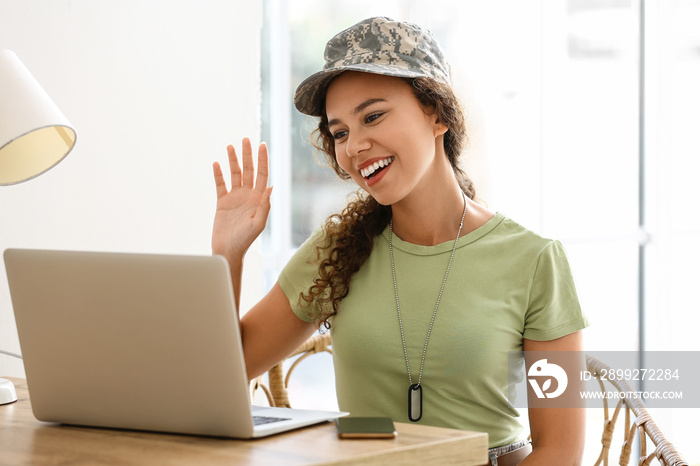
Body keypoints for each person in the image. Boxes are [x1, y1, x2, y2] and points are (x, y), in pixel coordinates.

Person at [212, 16, 589, 466]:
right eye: (340, 133)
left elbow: (562, 450)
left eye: (373, 116)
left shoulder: (534, 260)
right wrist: (227, 257)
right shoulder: (335, 251)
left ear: (437, 113)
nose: (353, 147)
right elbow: (224, 378)